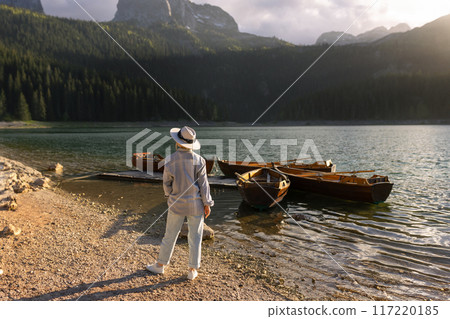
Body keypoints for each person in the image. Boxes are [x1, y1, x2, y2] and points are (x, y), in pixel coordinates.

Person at [146, 126, 214, 280]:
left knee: (170, 235)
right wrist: (207, 203)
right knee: (195, 237)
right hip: (196, 205)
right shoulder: (200, 160)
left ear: (177, 143)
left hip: (176, 203)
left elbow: (166, 183)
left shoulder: (170, 160)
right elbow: (204, 185)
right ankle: (192, 270)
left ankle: (160, 266)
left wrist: (169, 197)